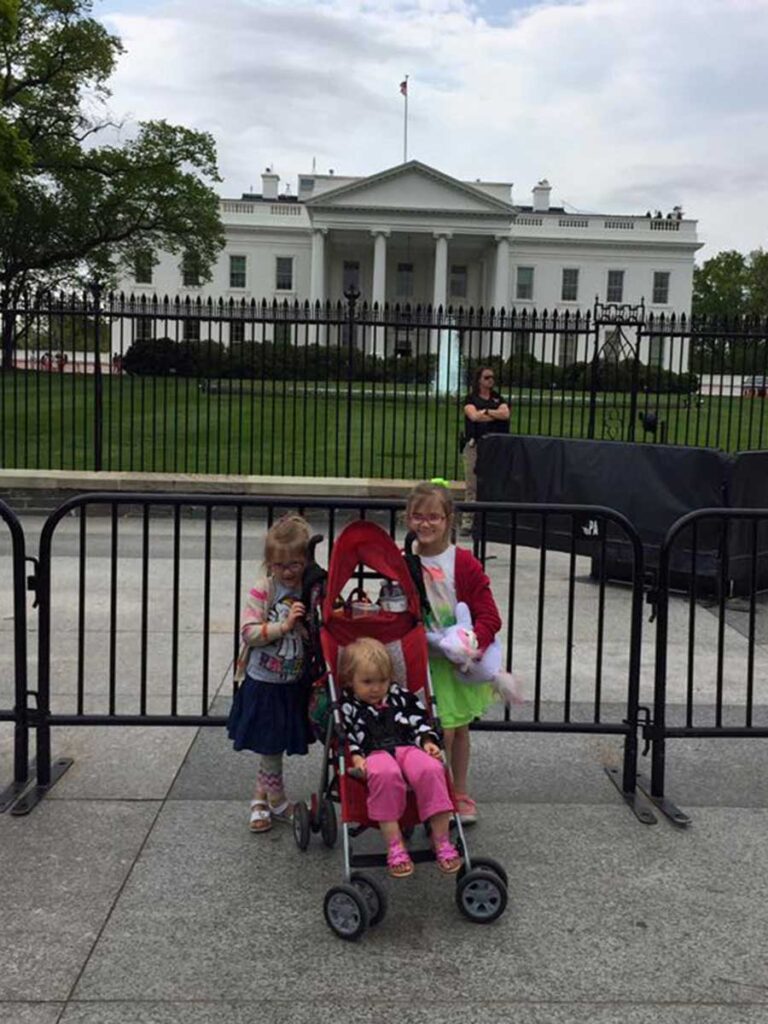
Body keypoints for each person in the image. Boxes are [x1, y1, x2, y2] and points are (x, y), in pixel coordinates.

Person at [406, 480, 502, 825]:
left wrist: (475, 640)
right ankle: (435, 792)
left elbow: (490, 614)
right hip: (424, 658)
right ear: (408, 519)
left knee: (458, 729)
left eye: (434, 516)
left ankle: (457, 790)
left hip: (458, 662)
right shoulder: (405, 562)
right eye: (418, 516)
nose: (426, 524)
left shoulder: (463, 563)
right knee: (439, 729)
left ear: (448, 520)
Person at [339, 637, 462, 878]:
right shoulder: (349, 705)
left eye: (382, 681)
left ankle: (442, 841)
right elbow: (350, 735)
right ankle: (395, 846)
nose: (376, 688)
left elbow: (419, 720)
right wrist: (356, 758)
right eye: (367, 682)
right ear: (350, 680)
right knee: (385, 774)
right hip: (373, 751)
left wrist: (427, 742)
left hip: (407, 746)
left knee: (432, 769)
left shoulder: (399, 695)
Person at [227, 514, 314, 833]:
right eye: (280, 565)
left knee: (273, 743)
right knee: (271, 744)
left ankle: (259, 798)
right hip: (264, 681)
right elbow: (248, 632)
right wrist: (284, 626)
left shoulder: (308, 587)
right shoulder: (265, 588)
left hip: (293, 680)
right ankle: (275, 800)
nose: (287, 572)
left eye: (295, 564)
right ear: (269, 564)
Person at [461, 366, 510, 535]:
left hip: (495, 447)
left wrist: (487, 412)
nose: (491, 380)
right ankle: (468, 522)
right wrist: (492, 415)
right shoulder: (470, 398)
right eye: (487, 377)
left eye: (493, 377)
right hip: (475, 445)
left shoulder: (497, 397)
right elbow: (473, 416)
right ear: (479, 380)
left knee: (493, 483)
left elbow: (506, 414)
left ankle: (490, 521)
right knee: (472, 485)